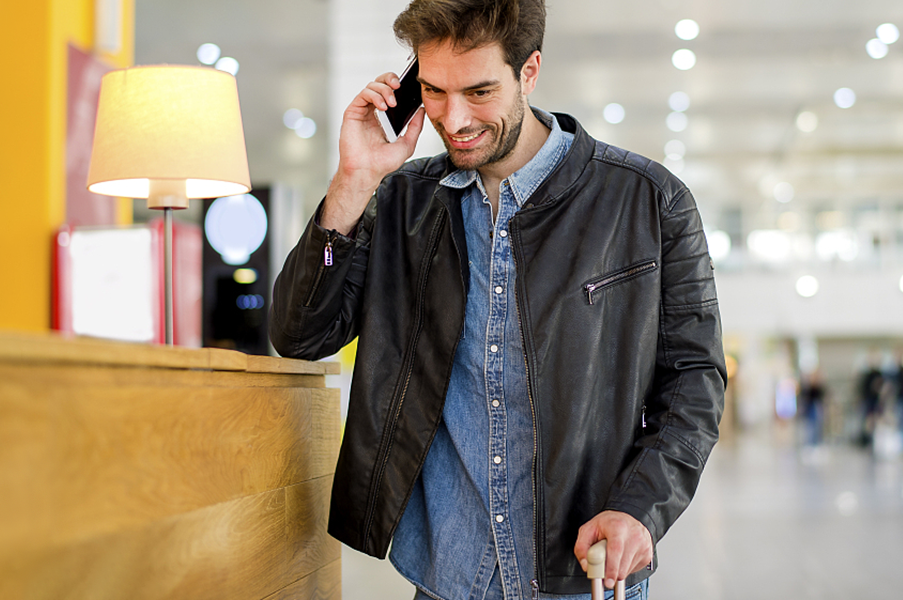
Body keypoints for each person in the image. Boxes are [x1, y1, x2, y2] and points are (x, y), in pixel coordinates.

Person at [269, 1, 727, 598]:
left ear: (529, 71)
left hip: (584, 571)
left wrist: (642, 508)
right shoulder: (399, 201)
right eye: (433, 91)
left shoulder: (646, 202)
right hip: (444, 578)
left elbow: (694, 378)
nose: (453, 118)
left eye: (479, 92)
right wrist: (354, 181)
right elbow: (301, 333)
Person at [799, 369, 827, 448]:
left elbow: (822, 396)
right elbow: (805, 397)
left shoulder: (819, 387)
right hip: (810, 409)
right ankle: (809, 444)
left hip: (817, 408)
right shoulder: (808, 388)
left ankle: (816, 444)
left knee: (817, 427)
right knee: (810, 427)